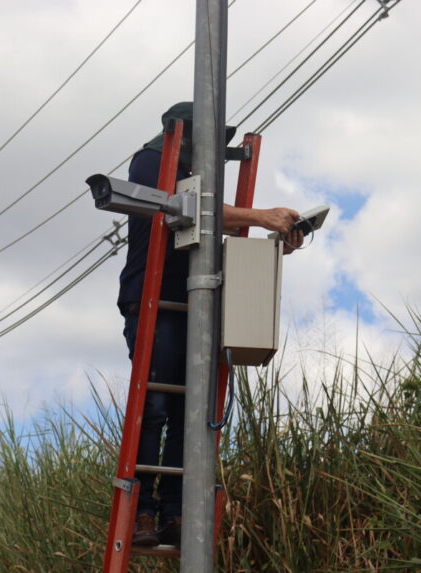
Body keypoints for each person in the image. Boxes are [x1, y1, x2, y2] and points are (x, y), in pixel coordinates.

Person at [117, 102, 304, 547]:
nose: (217, 159)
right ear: (184, 139)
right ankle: (143, 512)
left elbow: (207, 240)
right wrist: (260, 216)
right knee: (158, 405)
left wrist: (275, 240)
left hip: (197, 305)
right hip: (154, 301)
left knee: (193, 413)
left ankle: (178, 514)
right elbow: (186, 209)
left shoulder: (197, 183)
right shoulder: (151, 163)